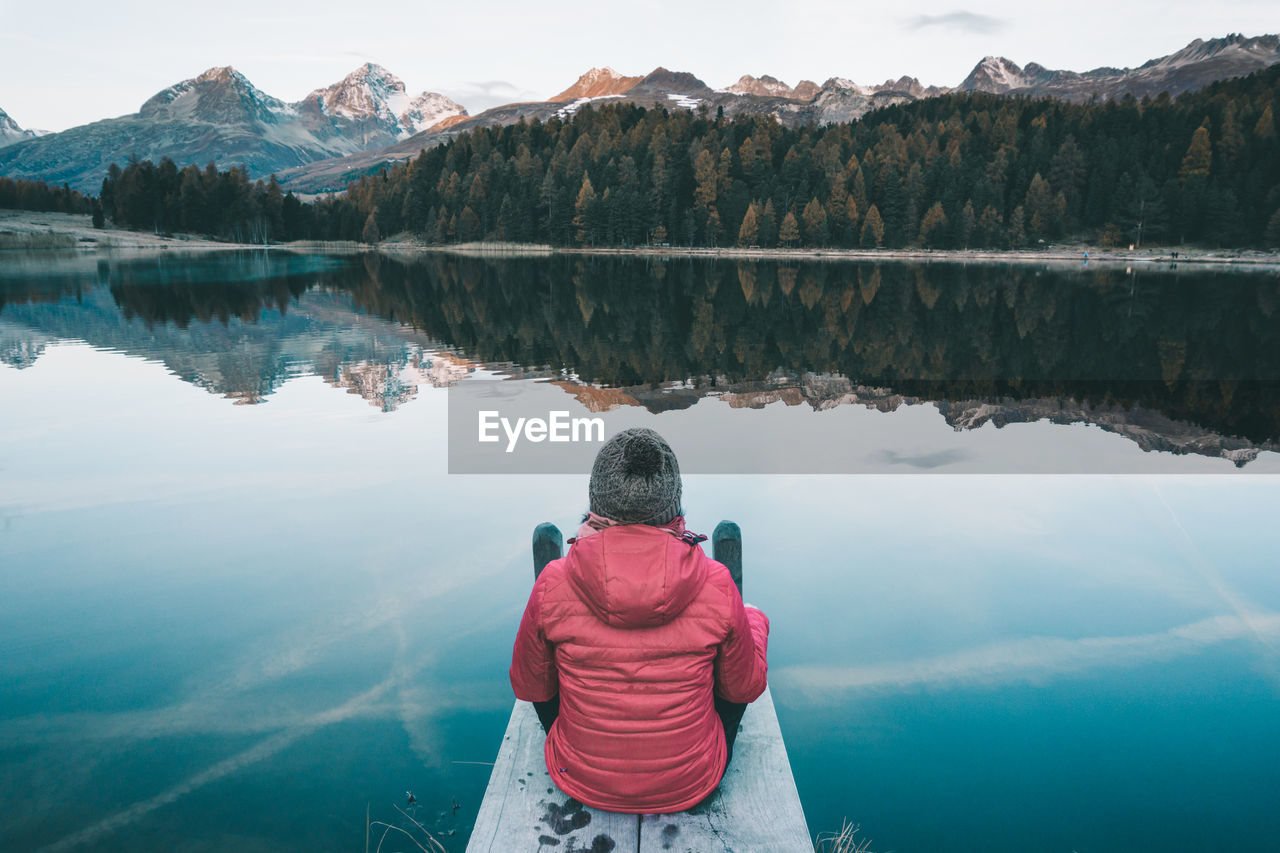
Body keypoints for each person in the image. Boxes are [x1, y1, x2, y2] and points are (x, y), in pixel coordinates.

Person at [509, 428, 770, 814]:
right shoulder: (717, 583)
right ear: (675, 510)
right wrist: (756, 623)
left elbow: (529, 684)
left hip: (579, 777)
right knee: (745, 631)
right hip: (692, 781)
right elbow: (744, 689)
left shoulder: (553, 582)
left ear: (595, 506)